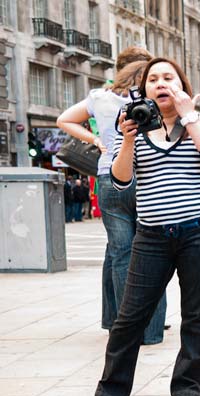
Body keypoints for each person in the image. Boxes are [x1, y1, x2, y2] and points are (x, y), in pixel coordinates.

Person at [83, 57, 200, 396]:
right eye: (153, 79)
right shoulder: (133, 129)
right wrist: (127, 140)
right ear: (142, 89)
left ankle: (187, 390)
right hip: (151, 236)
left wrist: (189, 116)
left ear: (181, 85)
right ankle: (110, 393)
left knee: (196, 315)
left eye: (168, 77)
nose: (160, 83)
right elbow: (120, 180)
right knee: (129, 316)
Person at [57, 47, 167, 344]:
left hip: (110, 176)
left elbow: (64, 119)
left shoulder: (100, 98)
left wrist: (96, 139)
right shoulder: (152, 97)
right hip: (148, 176)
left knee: (121, 253)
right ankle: (152, 328)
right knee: (155, 250)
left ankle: (124, 327)